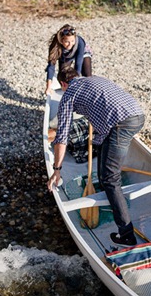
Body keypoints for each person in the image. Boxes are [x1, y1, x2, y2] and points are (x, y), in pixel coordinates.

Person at [47, 67, 145, 247]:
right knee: (105, 171)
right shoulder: (96, 79)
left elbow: (61, 137)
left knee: (110, 179)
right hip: (138, 117)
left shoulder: (69, 95)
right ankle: (110, 197)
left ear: (63, 84)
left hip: (120, 125)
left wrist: (57, 170)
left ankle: (126, 235)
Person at [45, 24, 92, 95]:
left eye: (72, 41)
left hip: (82, 52)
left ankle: (86, 94)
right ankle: (66, 95)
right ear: (61, 40)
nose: (70, 44)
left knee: (87, 75)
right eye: (67, 42)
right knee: (62, 76)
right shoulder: (55, 46)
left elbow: (78, 64)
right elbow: (51, 67)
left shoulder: (80, 42)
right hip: (65, 54)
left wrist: (76, 84)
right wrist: (48, 87)